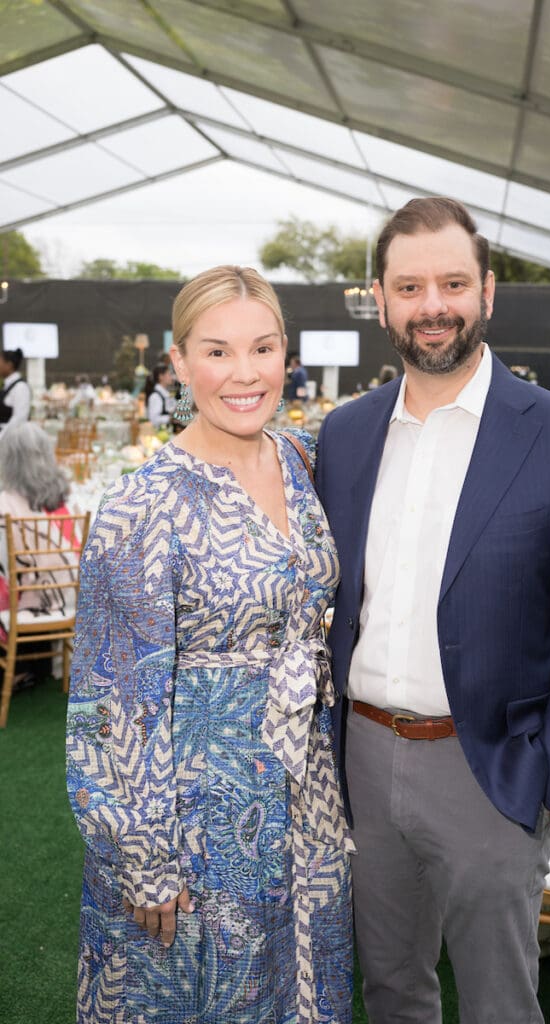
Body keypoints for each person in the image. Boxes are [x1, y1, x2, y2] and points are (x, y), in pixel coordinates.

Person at [315, 197, 550, 1024]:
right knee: (391, 992)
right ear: (379, 299)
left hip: (491, 772)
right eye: (410, 286)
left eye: (452, 282)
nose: (432, 306)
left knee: (499, 1004)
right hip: (362, 761)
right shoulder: (343, 436)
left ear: (488, 291)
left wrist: (548, 786)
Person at [66, 265, 354, 1024]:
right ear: (181, 359)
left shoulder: (302, 461)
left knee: (301, 986)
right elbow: (110, 700)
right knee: (204, 994)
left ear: (286, 354)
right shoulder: (142, 504)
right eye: (218, 352)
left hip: (306, 789)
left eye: (263, 348)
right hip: (194, 811)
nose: (245, 373)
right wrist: (144, 857)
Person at [0, 422, 76, 678]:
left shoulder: (5, 504)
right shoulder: (67, 498)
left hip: (26, 601)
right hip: (66, 596)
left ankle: (19, 667)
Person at [0, 348, 31, 435]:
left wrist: (1, 437)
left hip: (9, 442)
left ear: (9, 365)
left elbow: (19, 419)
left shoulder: (20, 387)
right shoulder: (6, 385)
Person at [145, 361, 176, 427]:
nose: (172, 377)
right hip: (161, 434)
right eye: (169, 374)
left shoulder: (165, 393)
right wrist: (170, 418)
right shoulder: (155, 396)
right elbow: (154, 419)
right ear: (161, 377)